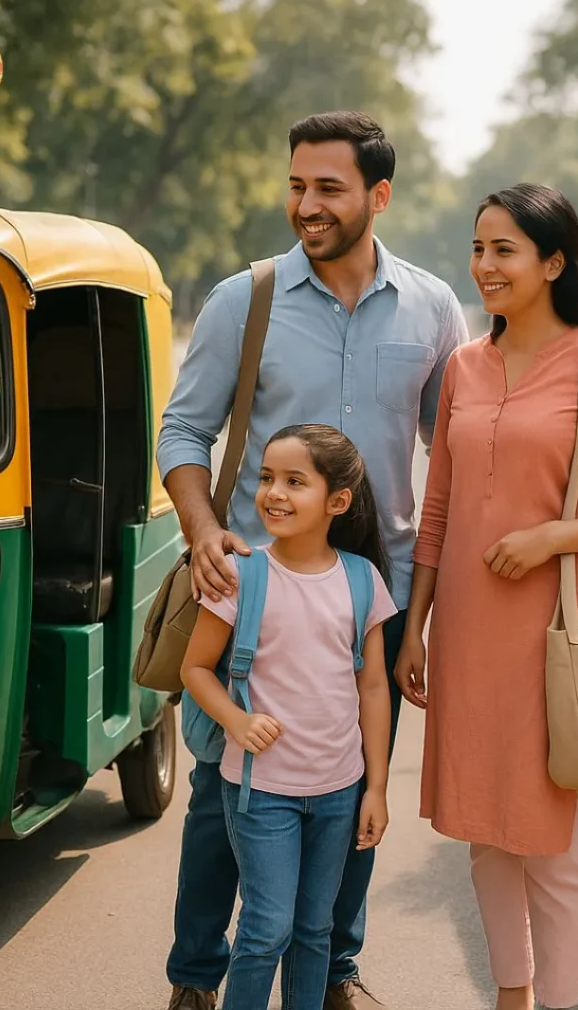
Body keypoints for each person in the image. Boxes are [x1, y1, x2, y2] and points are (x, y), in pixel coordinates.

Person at [156, 110, 469, 1010]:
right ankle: (194, 978)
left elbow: (452, 453)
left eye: (328, 188)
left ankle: (333, 971)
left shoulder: (433, 306)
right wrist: (202, 526)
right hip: (253, 594)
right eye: (297, 185)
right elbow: (184, 429)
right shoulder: (242, 299)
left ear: (378, 194)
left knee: (350, 796)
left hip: (377, 592)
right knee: (222, 800)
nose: (307, 205)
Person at [394, 183, 578, 1010]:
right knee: (486, 833)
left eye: (504, 249)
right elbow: (439, 507)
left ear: (554, 262)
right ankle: (511, 998)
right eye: (479, 248)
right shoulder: (464, 367)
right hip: (470, 634)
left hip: (561, 631)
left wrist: (553, 536)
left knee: (554, 847)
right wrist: (415, 628)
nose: (484, 265)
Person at [181, 424, 397, 1010]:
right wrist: (236, 720)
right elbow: (196, 669)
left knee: (314, 931)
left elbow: (373, 688)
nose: (273, 492)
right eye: (268, 478)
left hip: (338, 791)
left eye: (294, 482)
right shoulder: (241, 575)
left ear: (337, 502)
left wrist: (375, 787)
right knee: (266, 929)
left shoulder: (361, 580)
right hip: (259, 791)